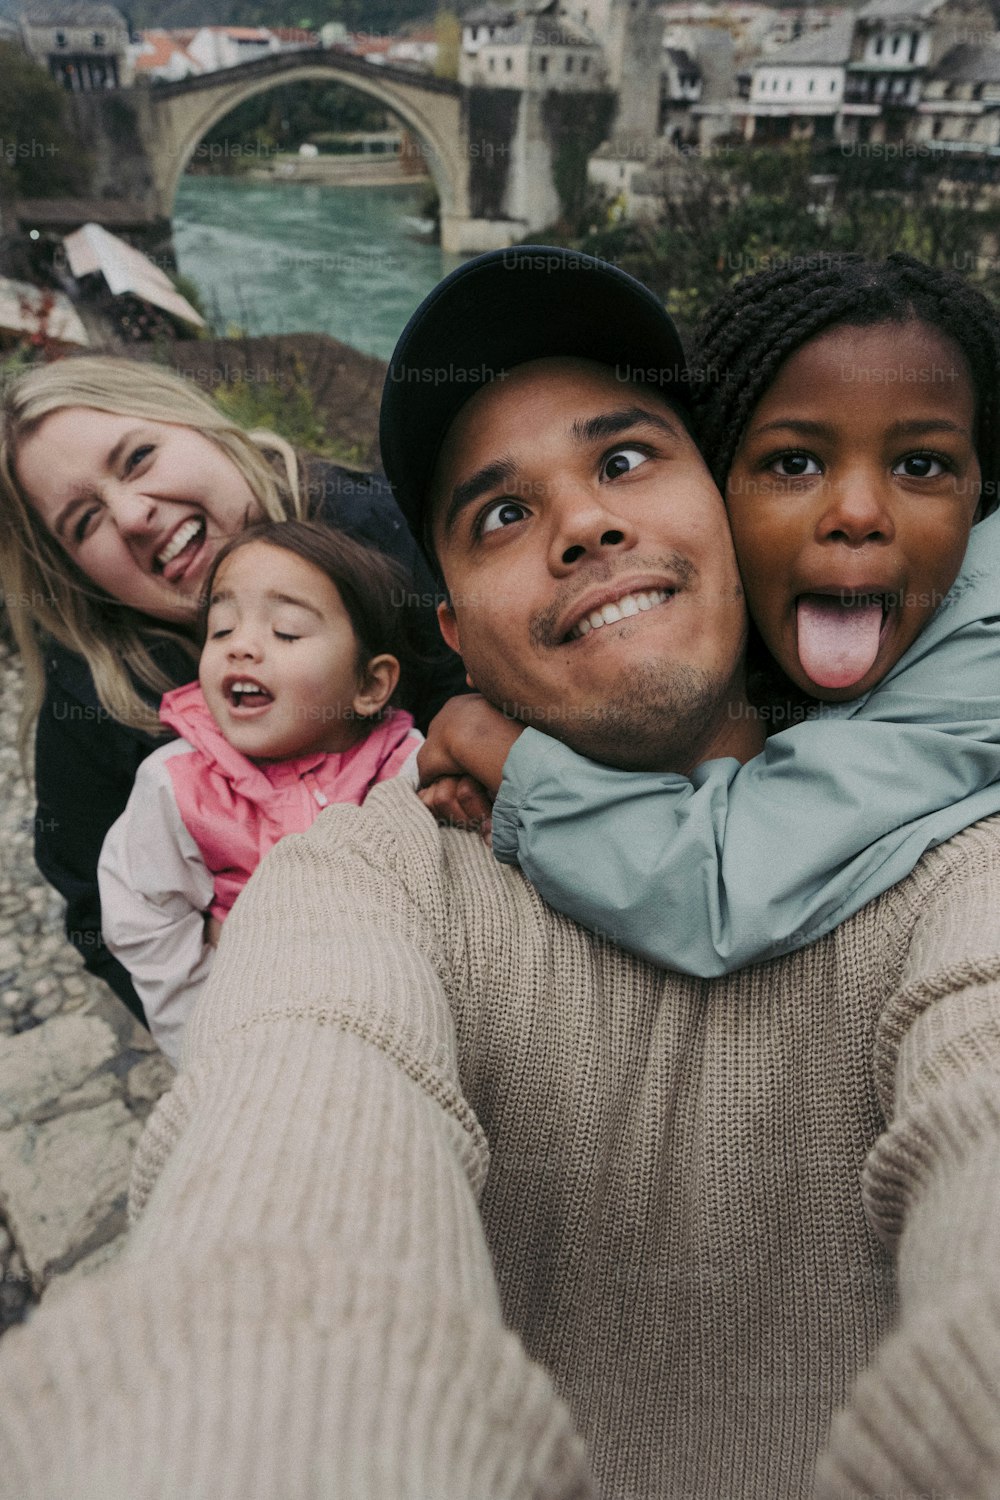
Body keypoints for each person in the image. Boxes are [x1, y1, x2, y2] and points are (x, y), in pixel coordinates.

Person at [3, 248, 1000, 1500]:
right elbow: (303, 1109)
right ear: (452, 633)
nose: (584, 520)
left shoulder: (955, 841)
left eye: (626, 460)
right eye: (501, 514)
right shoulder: (364, 885)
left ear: (739, 517)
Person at [415, 252, 1000, 974]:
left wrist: (502, 754)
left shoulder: (982, 647)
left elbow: (719, 890)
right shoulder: (386, 874)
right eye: (793, 466)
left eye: (624, 462)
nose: (856, 512)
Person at [0, 357, 464, 1022]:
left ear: (202, 427)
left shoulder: (375, 532)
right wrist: (220, 1025)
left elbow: (479, 677)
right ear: (75, 573)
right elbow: (101, 913)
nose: (131, 514)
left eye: (138, 458)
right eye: (84, 522)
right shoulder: (96, 703)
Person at [98, 520, 424, 1064]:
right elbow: (142, 916)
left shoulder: (406, 766)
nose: (241, 647)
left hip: (401, 1017)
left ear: (368, 686)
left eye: (288, 631)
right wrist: (204, 1039)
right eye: (221, 629)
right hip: (258, 1031)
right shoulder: (177, 784)